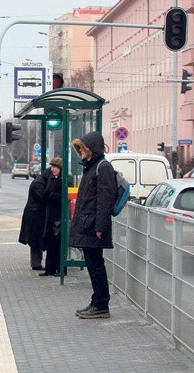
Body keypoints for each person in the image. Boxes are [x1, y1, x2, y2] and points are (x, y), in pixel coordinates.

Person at [70, 131, 117, 319]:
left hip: (94, 227)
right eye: (78, 149)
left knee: (96, 265)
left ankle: (101, 304)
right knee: (92, 264)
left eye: (82, 148)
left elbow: (105, 199)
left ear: (91, 149)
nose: (80, 152)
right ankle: (96, 301)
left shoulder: (102, 167)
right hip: (88, 224)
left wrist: (100, 227)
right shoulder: (91, 166)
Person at [18, 167, 52, 271]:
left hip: (35, 215)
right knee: (35, 240)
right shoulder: (39, 184)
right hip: (34, 216)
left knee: (36, 240)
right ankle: (36, 264)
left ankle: (36, 263)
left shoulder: (39, 182)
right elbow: (42, 199)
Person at [39, 158, 66, 277]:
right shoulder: (51, 179)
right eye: (52, 167)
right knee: (50, 243)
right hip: (50, 216)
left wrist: (50, 195)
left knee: (58, 244)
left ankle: (60, 269)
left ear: (60, 168)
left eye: (55, 167)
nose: (52, 169)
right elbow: (46, 194)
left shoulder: (64, 180)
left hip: (59, 217)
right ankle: (49, 268)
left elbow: (63, 197)